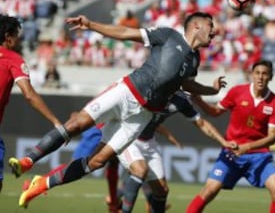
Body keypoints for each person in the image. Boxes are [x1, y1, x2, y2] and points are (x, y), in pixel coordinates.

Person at [9, 11, 226, 208]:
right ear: (196, 26)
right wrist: (91, 24)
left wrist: (210, 89)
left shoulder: (194, 60)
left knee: (96, 162)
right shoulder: (169, 35)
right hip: (126, 93)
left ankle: (42, 184)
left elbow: (187, 84)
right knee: (76, 125)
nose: (214, 31)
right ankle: (27, 161)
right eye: (211, 24)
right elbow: (125, 32)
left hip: (141, 117)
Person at [187, 60, 275, 213]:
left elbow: (273, 137)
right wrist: (198, 100)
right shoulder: (237, 92)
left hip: (259, 156)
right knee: (209, 191)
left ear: (271, 77)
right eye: (257, 73)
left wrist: (247, 147)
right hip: (231, 153)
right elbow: (214, 112)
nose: (260, 77)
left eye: (265, 74)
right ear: (251, 75)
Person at [118, 90, 236, 213]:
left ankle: (115, 198)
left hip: (149, 142)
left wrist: (223, 141)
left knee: (162, 190)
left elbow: (201, 123)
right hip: (129, 137)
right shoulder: (152, 87)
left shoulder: (181, 100)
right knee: (139, 171)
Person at [0, 14, 61, 192]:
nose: (19, 40)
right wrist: (55, 121)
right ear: (8, 37)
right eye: (17, 36)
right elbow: (29, 94)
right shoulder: (13, 59)